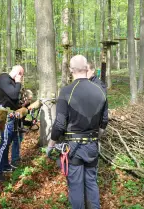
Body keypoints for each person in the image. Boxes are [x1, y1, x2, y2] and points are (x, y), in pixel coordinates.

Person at [46, 55, 108, 209]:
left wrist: (51, 144)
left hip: (74, 148)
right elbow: (104, 121)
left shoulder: (67, 91)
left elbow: (60, 124)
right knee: (92, 183)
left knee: (75, 187)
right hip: (92, 146)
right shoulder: (100, 90)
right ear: (87, 68)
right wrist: (95, 137)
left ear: (71, 70)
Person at [0, 65, 24, 181]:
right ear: (18, 73)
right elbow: (13, 94)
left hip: (11, 116)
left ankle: (5, 165)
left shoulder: (9, 81)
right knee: (4, 142)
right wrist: (18, 82)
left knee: (9, 141)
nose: (21, 78)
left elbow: (14, 99)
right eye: (21, 74)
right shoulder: (3, 78)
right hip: (4, 115)